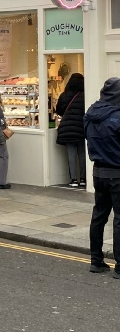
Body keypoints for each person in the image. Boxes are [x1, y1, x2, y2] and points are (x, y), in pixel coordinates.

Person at [84, 78, 120, 279]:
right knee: (119, 220)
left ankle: (96, 261)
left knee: (99, 216)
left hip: (98, 172)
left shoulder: (90, 114)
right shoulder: (117, 117)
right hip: (117, 173)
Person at [55, 73, 86, 187]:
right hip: (81, 128)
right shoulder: (85, 95)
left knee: (71, 154)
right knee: (82, 154)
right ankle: (83, 179)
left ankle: (73, 179)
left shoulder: (64, 95)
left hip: (67, 128)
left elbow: (58, 110)